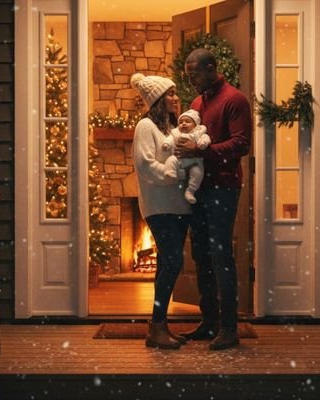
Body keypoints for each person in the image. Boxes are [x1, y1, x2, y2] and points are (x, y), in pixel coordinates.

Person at [175, 48, 252, 350]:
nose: (190, 79)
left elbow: (242, 144)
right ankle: (209, 323)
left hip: (223, 188)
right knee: (201, 257)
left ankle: (229, 329)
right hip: (199, 189)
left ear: (211, 68)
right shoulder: (196, 103)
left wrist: (202, 152)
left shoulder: (235, 100)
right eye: (188, 74)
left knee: (221, 256)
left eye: (194, 73)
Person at [130, 72, 190, 349]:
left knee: (168, 263)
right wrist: (171, 175)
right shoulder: (145, 127)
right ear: (157, 99)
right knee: (174, 261)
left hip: (178, 206)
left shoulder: (171, 128)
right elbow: (145, 165)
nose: (176, 98)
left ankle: (159, 327)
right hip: (158, 206)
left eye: (175, 93)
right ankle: (156, 325)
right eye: (170, 94)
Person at [162, 109, 211, 204]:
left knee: (198, 172)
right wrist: (167, 144)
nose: (183, 124)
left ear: (195, 124)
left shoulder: (199, 133)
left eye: (187, 121)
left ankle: (190, 191)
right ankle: (170, 172)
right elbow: (171, 138)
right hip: (179, 159)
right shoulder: (176, 133)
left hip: (194, 162)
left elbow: (206, 138)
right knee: (171, 159)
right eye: (181, 122)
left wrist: (202, 143)